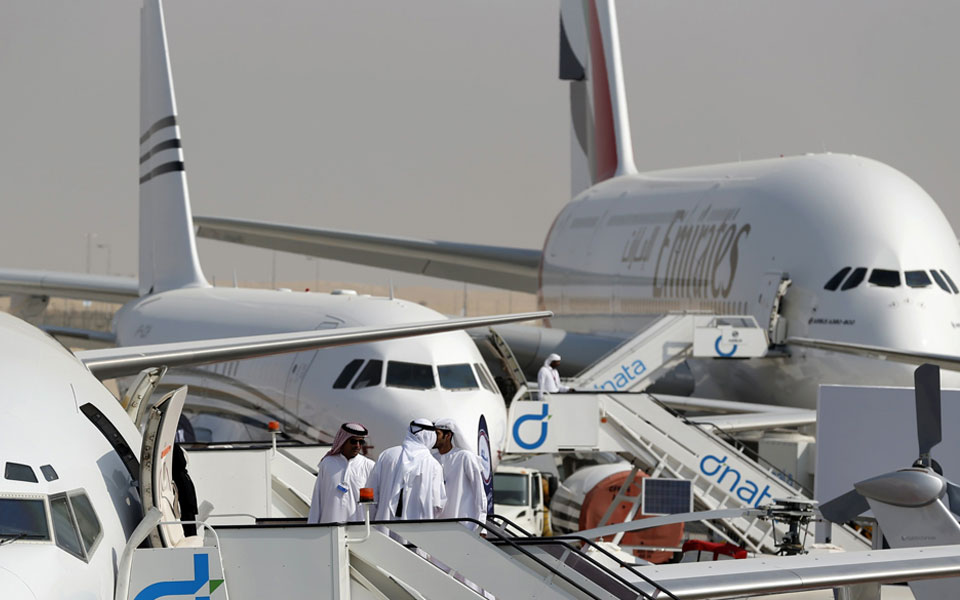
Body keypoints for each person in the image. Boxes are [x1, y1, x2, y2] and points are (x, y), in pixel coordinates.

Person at [366, 419, 446, 520]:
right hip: (418, 528)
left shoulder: (387, 455)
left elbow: (371, 490)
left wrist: (370, 522)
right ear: (430, 436)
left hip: (384, 524)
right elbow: (438, 503)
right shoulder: (433, 465)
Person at [308, 422, 375, 524]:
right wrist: (312, 526)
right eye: (353, 441)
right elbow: (317, 498)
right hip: (329, 526)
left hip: (358, 529)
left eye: (361, 442)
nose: (357, 446)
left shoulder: (369, 466)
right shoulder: (327, 463)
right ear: (343, 441)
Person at [434, 418, 487, 530]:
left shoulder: (464, 457)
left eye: (437, 434)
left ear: (447, 435)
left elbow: (479, 493)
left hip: (465, 526)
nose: (433, 437)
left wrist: (482, 526)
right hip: (437, 527)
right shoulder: (432, 459)